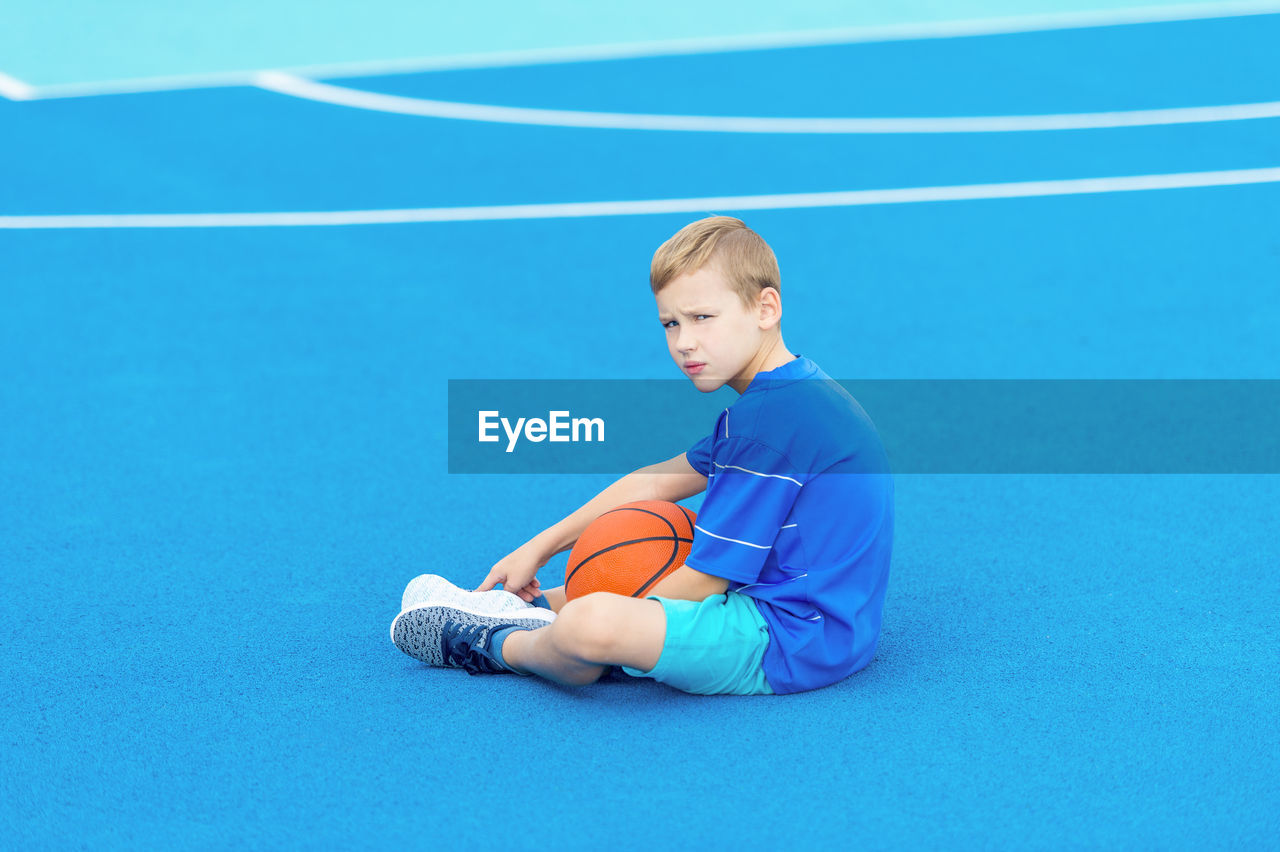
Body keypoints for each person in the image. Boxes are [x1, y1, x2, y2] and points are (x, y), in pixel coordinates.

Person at [391, 216, 894, 695]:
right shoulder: (792, 393)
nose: (684, 343)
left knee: (592, 624)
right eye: (671, 324)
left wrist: (617, 622)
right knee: (647, 540)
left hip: (791, 641)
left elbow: (706, 579)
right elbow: (653, 482)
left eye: (702, 318)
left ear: (765, 308)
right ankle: (527, 606)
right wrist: (539, 548)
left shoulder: (767, 427)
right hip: (836, 622)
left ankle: (499, 642)